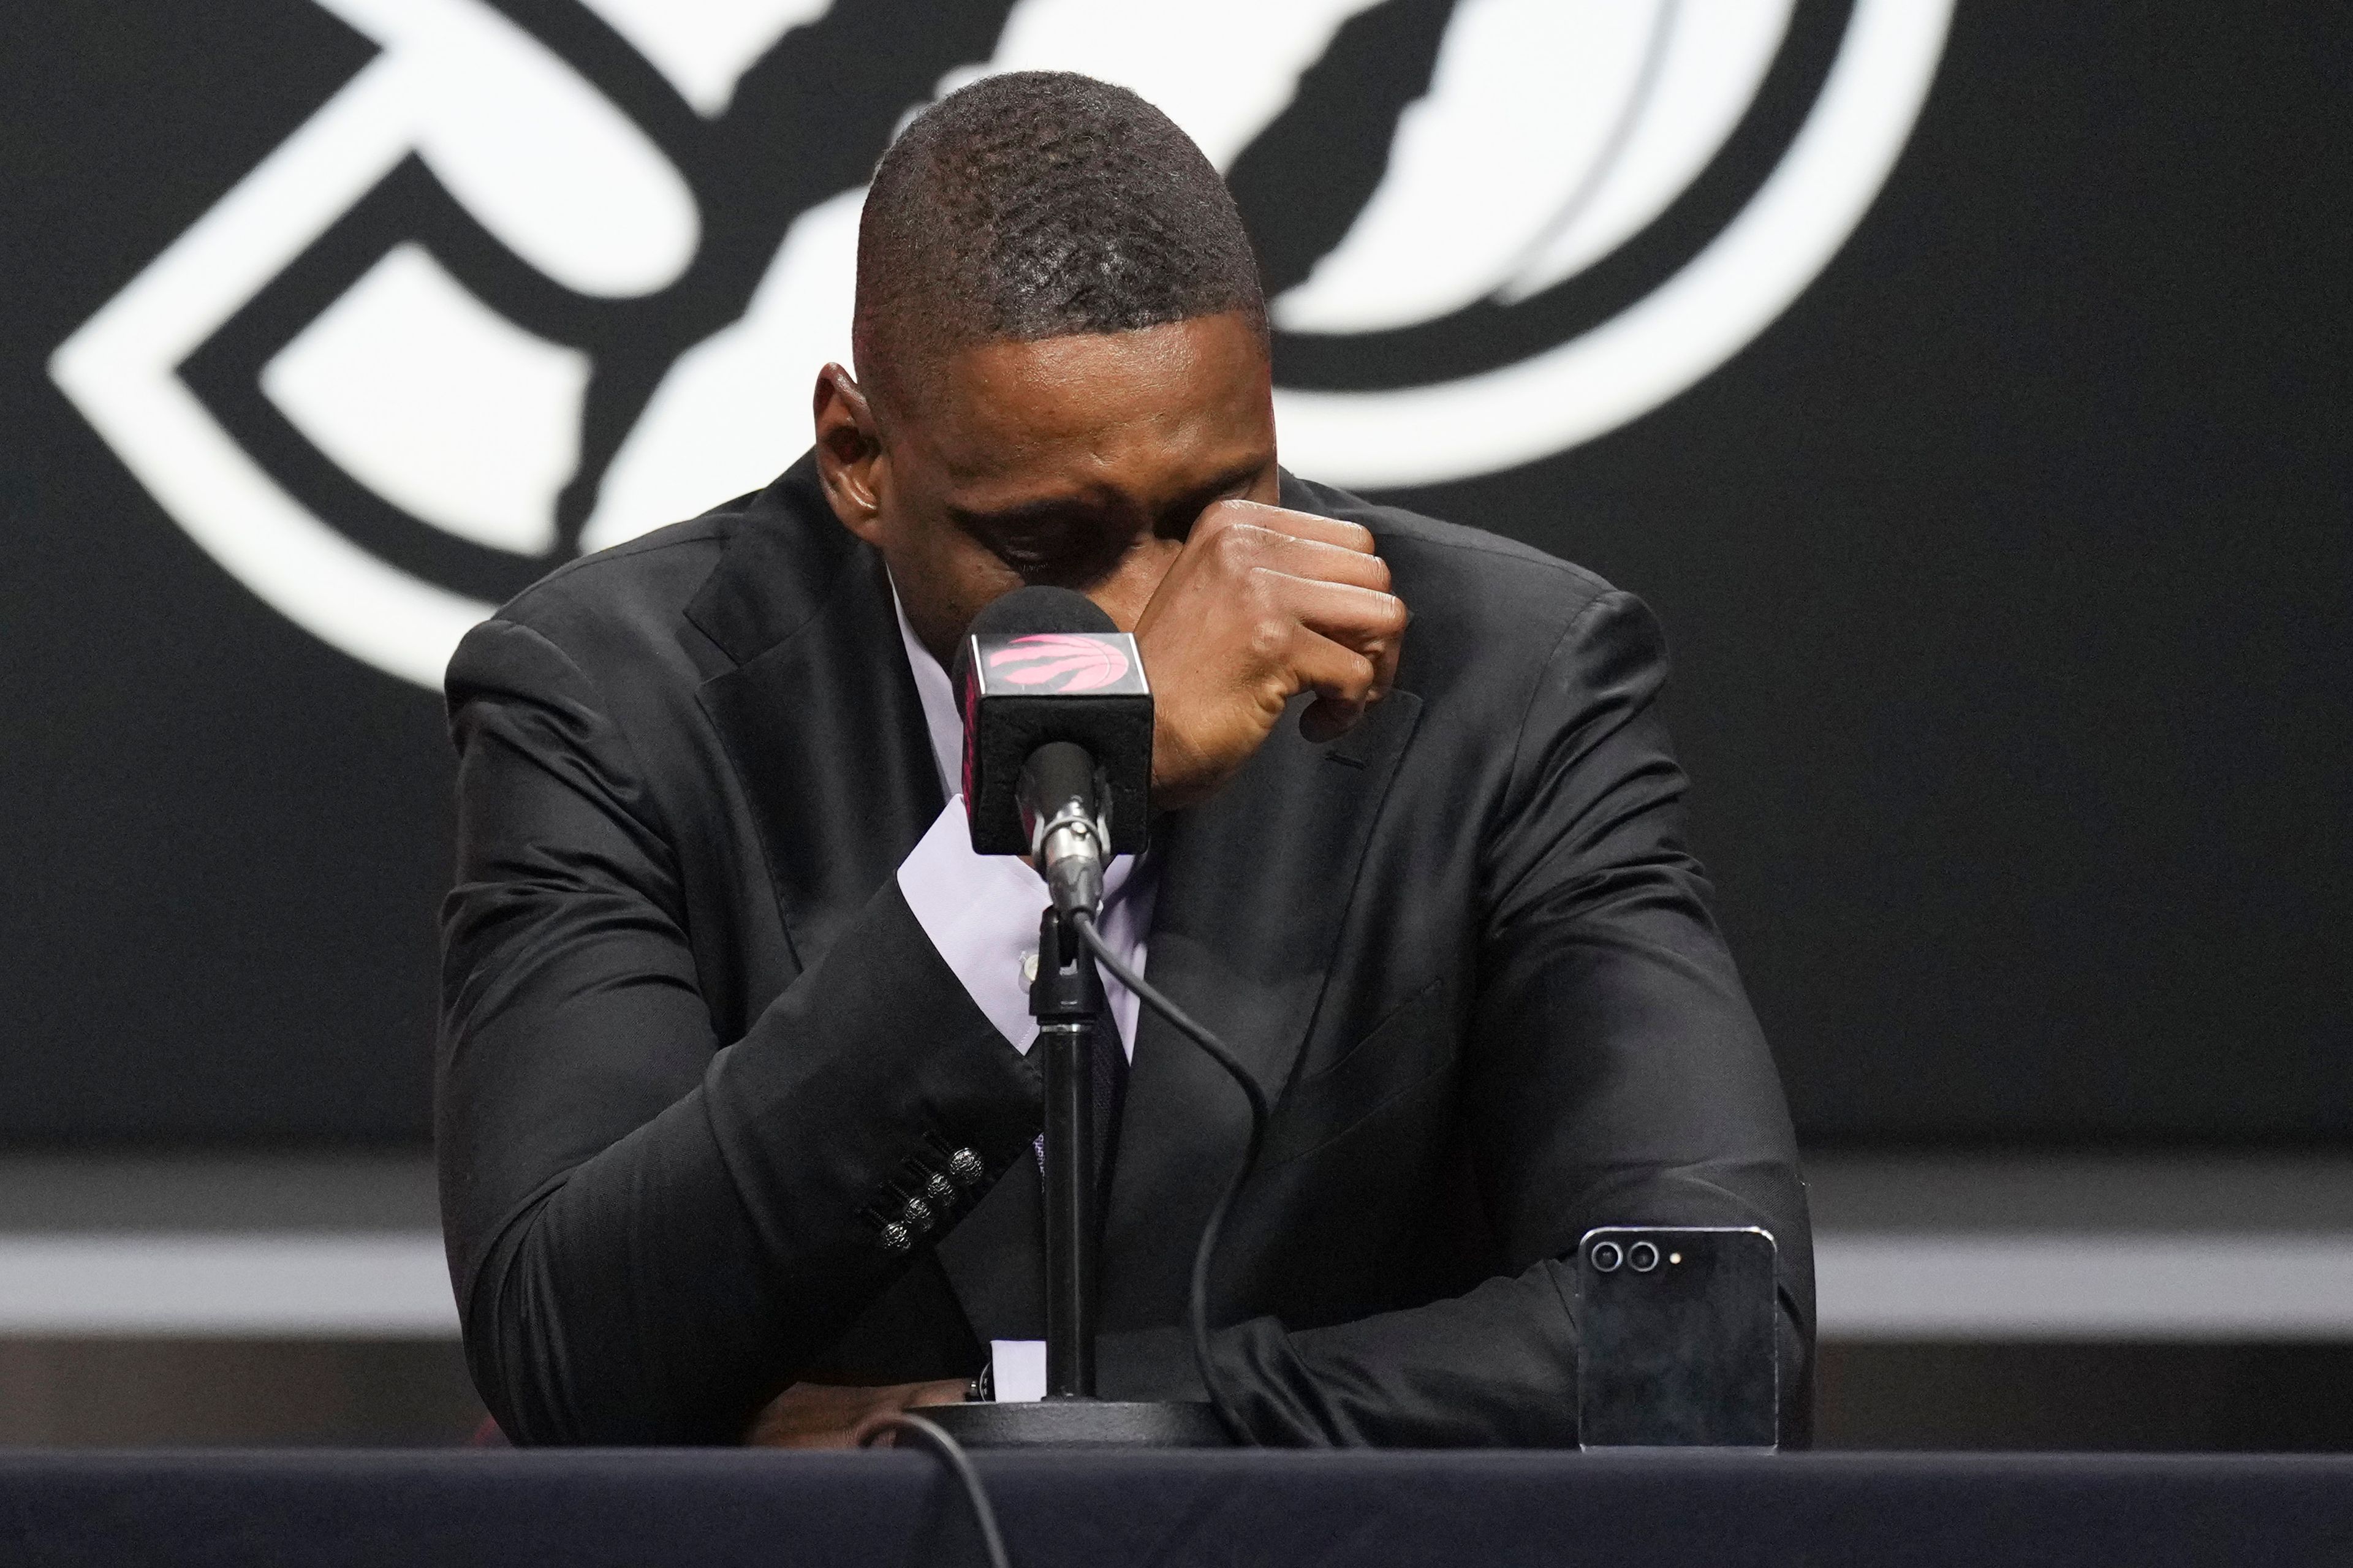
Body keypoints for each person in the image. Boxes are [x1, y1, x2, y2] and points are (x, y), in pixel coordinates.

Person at [436, 70, 1812, 1448]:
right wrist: (1068, 807)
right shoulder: (610, 693)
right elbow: (566, 1347)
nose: (1169, 611)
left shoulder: (1506, 681)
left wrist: (1034, 1415)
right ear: (859, 456)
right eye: (1047, 546)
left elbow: (1711, 1334)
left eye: (1225, 505)